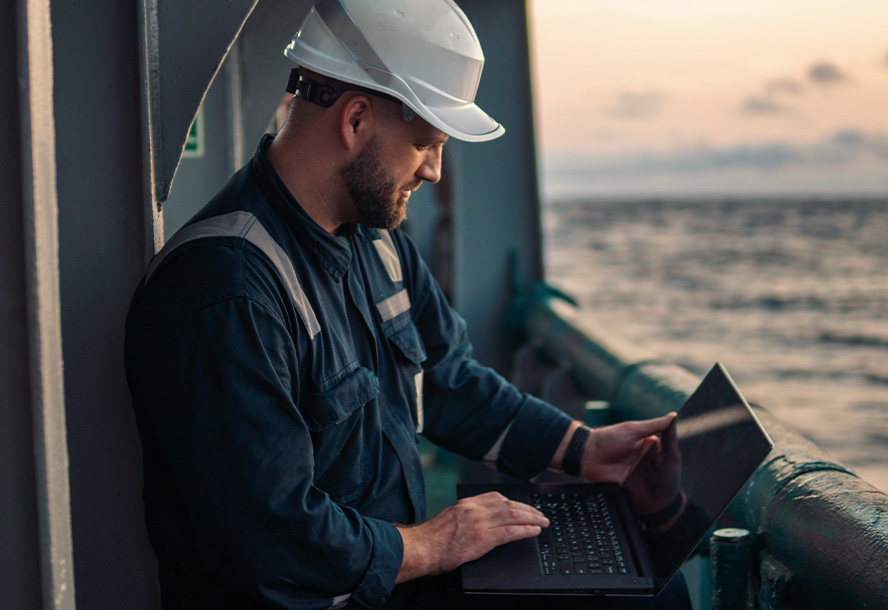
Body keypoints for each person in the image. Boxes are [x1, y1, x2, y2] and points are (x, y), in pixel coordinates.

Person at [124, 1, 692, 608]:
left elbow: (447, 382)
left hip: (392, 582)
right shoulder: (227, 290)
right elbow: (269, 538)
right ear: (356, 119)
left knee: (651, 584)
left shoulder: (375, 239)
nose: (434, 172)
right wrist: (433, 544)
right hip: (335, 593)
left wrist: (583, 448)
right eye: (424, 143)